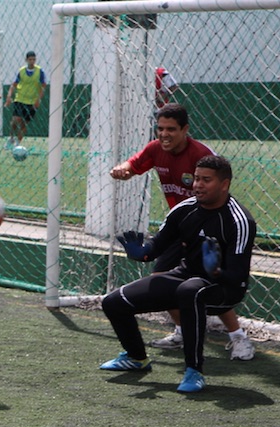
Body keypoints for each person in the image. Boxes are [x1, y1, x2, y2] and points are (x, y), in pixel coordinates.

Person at [109, 103, 255, 360]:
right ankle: (182, 332)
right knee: (163, 280)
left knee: (206, 280)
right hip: (180, 226)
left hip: (205, 226)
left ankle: (238, 337)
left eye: (171, 130)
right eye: (160, 129)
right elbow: (134, 164)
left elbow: (219, 183)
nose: (164, 134)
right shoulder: (156, 149)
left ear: (185, 130)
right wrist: (123, 170)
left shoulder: (200, 155)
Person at [100, 155, 257, 392]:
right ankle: (136, 358)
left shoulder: (239, 220)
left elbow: (238, 277)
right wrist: (140, 253)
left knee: (190, 291)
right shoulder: (184, 209)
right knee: (113, 302)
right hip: (187, 277)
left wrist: (215, 270)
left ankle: (194, 371)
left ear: (224, 184)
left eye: (206, 180)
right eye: (196, 179)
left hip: (225, 288)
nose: (197, 185)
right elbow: (156, 248)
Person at [4, 50, 47, 147]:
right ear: (26, 60)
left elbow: (43, 86)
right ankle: (10, 138)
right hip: (20, 99)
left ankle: (18, 144)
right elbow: (13, 85)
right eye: (30, 59)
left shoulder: (40, 71)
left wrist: (38, 100)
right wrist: (9, 97)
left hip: (32, 102)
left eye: (33, 59)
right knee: (16, 120)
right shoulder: (21, 71)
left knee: (24, 124)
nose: (32, 61)